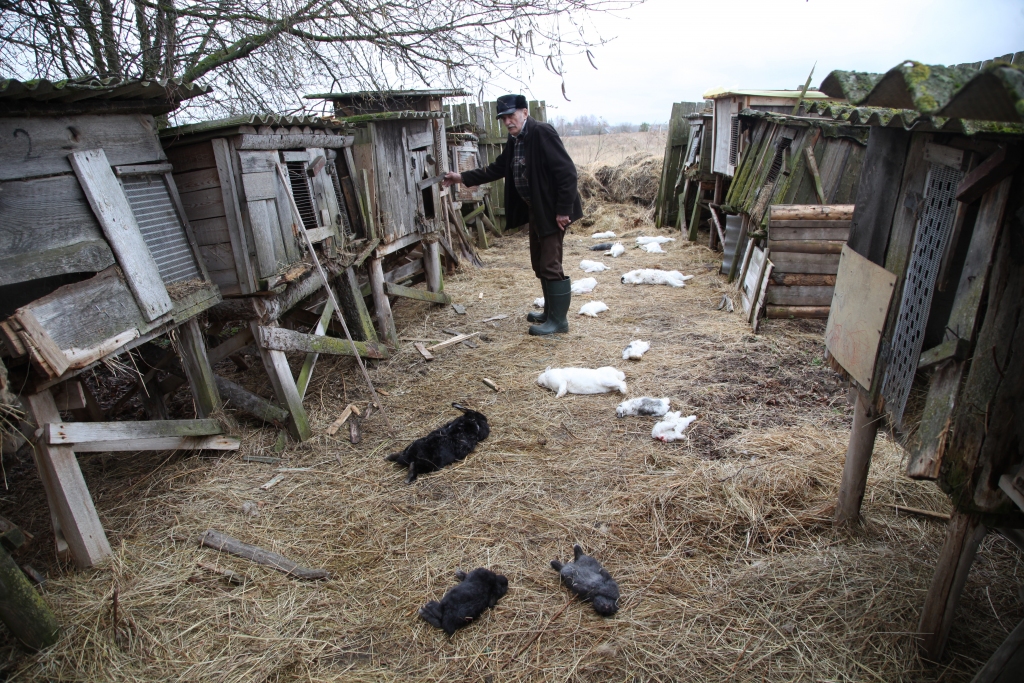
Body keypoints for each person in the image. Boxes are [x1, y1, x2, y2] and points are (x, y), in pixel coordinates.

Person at [443, 94, 583, 335]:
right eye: (504, 118)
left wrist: (563, 211)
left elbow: (568, 173)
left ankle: (559, 322)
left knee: (550, 264)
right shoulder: (516, 139)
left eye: (512, 115)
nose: (508, 121)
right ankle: (550, 313)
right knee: (539, 264)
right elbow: (498, 168)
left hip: (552, 211)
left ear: (525, 112)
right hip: (537, 210)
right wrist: (462, 177)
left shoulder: (542, 133)